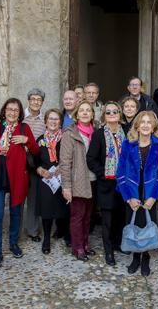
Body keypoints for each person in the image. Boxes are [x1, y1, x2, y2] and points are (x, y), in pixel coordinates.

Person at [0, 98, 39, 269]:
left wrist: (26, 140)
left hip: (17, 178)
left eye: (15, 110)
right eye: (9, 109)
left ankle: (14, 243)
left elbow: (35, 150)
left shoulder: (24, 128)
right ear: (4, 111)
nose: (12, 112)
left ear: (20, 113)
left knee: (16, 213)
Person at [116, 111, 158, 276]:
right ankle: (135, 258)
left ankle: (145, 258)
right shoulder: (127, 144)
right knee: (133, 224)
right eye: (142, 122)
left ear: (153, 127)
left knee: (147, 225)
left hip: (150, 191)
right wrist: (128, 197)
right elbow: (120, 173)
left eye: (149, 122)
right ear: (137, 126)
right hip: (132, 192)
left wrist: (154, 197)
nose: (145, 125)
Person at [86, 101, 128, 266]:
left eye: (115, 111)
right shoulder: (98, 134)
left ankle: (117, 244)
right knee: (107, 220)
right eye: (108, 112)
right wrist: (103, 173)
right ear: (104, 116)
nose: (112, 114)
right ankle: (108, 251)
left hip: (123, 183)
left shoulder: (126, 132)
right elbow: (91, 159)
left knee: (120, 217)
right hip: (106, 184)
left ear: (120, 114)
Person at [60, 101, 96, 261]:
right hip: (77, 182)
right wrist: (66, 187)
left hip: (93, 180)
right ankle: (78, 247)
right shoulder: (70, 133)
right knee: (77, 216)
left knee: (89, 216)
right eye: (82, 110)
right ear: (76, 114)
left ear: (93, 114)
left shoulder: (96, 132)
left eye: (88, 110)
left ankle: (85, 243)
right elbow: (65, 162)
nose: (85, 113)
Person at [34, 108, 70, 254]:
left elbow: (71, 156)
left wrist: (63, 167)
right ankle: (47, 238)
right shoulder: (40, 140)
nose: (53, 122)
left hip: (63, 176)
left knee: (64, 207)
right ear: (46, 121)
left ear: (60, 122)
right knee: (47, 210)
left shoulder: (66, 138)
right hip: (46, 179)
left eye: (56, 119)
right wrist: (40, 170)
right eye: (51, 119)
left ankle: (65, 233)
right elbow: (33, 161)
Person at [23, 88, 46, 242]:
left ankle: (33, 230)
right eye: (33, 99)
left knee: (34, 198)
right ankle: (16, 228)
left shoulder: (45, 120)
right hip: (21, 162)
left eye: (39, 99)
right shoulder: (21, 119)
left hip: (37, 162)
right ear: (28, 101)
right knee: (17, 198)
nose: (36, 102)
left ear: (42, 102)